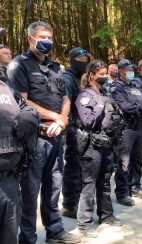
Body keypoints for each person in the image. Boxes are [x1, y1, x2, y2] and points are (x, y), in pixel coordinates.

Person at [7, 21, 80, 243]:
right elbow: (21, 100)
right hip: (34, 139)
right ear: (30, 38)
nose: (46, 40)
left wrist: (62, 120)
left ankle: (55, 231)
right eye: (42, 36)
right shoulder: (19, 65)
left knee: (54, 186)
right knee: (30, 190)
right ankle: (28, 237)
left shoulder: (56, 68)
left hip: (56, 135)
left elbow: (66, 98)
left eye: (49, 36)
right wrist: (53, 116)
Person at [75, 60, 122, 237]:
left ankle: (106, 215)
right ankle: (85, 224)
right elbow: (88, 121)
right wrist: (100, 104)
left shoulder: (104, 93)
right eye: (101, 74)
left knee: (104, 181)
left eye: (105, 74)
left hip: (107, 143)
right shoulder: (85, 96)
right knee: (89, 183)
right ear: (92, 75)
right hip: (92, 145)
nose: (104, 77)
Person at [0, 64, 39, 244]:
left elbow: (26, 106)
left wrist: (29, 116)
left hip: (9, 181)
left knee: (9, 235)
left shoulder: (6, 85)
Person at [112, 58, 142, 204]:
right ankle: (122, 192)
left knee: (137, 159)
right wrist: (141, 106)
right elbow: (124, 107)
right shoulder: (116, 87)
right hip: (126, 128)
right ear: (120, 71)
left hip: (140, 126)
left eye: (132, 69)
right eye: (128, 70)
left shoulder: (136, 85)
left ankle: (135, 186)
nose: (131, 72)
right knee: (124, 160)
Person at [62, 47, 91, 218]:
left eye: (86, 60)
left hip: (84, 127)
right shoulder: (67, 78)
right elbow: (69, 104)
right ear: (72, 60)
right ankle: (69, 204)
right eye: (80, 60)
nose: (84, 63)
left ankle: (79, 200)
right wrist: (74, 126)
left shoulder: (83, 78)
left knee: (83, 167)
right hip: (74, 127)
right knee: (73, 166)